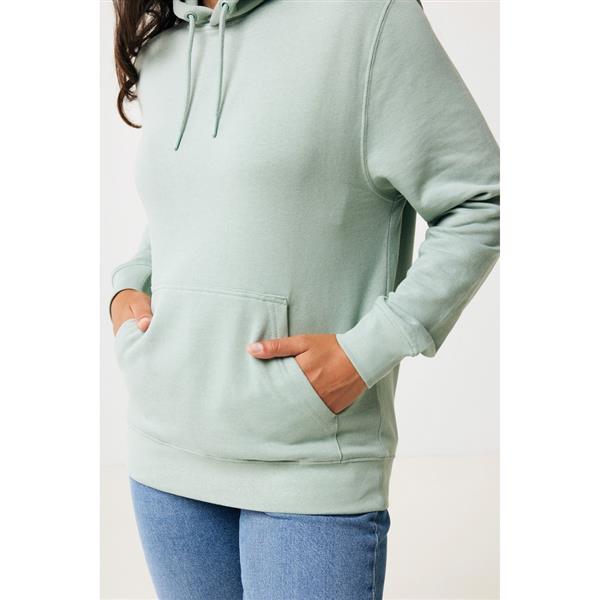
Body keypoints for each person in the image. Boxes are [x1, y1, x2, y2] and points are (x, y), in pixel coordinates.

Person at [108, 0, 500, 598]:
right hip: (165, 459)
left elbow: (482, 200)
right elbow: (186, 213)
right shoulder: (164, 46)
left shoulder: (368, 20)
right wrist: (126, 286)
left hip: (309, 466)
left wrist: (367, 351)